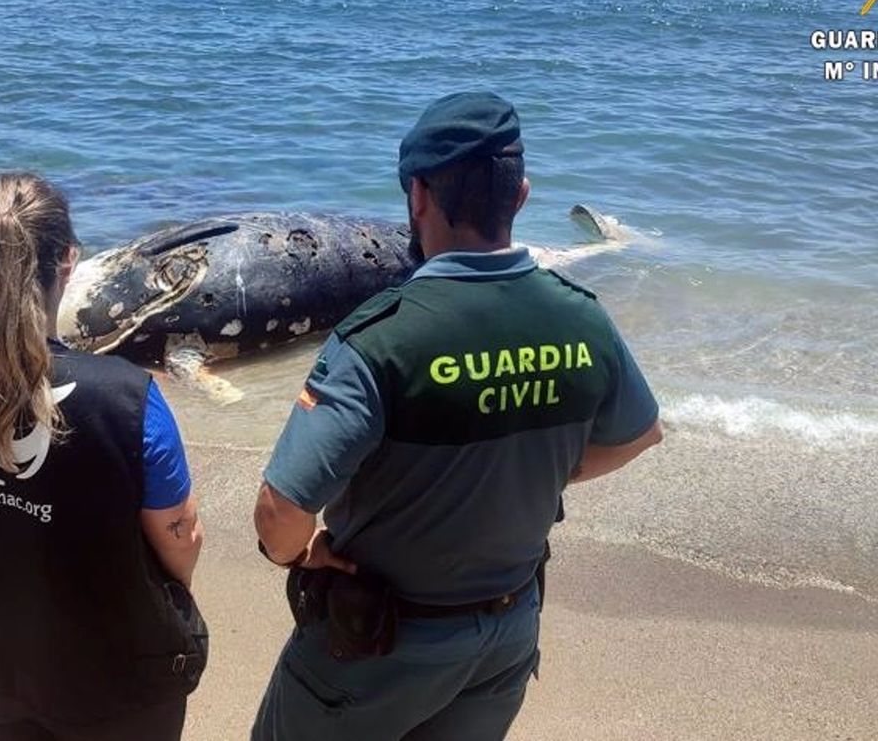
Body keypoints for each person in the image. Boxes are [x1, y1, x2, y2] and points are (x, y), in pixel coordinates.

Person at [250, 91, 662, 741]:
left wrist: (298, 556)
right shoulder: (581, 318)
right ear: (520, 195)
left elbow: (281, 512)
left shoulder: (381, 339)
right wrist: (536, 469)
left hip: (378, 640)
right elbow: (641, 434)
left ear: (418, 196)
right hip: (508, 632)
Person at [0, 171, 208, 741]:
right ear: (69, 261)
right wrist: (172, 601)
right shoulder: (127, 399)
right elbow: (181, 536)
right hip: (117, 677)